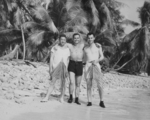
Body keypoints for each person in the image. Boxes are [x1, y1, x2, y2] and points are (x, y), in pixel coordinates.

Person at [41, 34, 70, 103]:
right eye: (61, 39)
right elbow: (51, 59)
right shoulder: (54, 48)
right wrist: (50, 69)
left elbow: (68, 60)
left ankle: (61, 97)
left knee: (64, 83)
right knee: (52, 82)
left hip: (64, 67)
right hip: (56, 66)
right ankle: (46, 97)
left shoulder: (68, 49)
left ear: (66, 41)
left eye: (64, 40)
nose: (63, 41)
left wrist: (67, 69)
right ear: (59, 40)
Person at [83, 32, 105, 108]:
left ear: (94, 38)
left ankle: (101, 101)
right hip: (88, 67)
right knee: (89, 85)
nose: (90, 39)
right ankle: (89, 101)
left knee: (100, 85)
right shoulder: (85, 48)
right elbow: (84, 59)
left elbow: (102, 57)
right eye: (89, 38)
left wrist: (97, 60)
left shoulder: (98, 46)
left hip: (96, 66)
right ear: (87, 39)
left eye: (91, 38)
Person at [66, 33, 84, 105]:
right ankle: (70, 97)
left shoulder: (83, 45)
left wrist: (99, 45)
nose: (76, 39)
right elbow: (61, 43)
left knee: (78, 84)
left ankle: (76, 98)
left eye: (77, 38)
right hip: (72, 63)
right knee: (71, 82)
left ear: (79, 39)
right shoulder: (70, 45)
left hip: (80, 64)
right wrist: (55, 47)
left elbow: (91, 44)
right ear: (73, 39)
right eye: (75, 38)